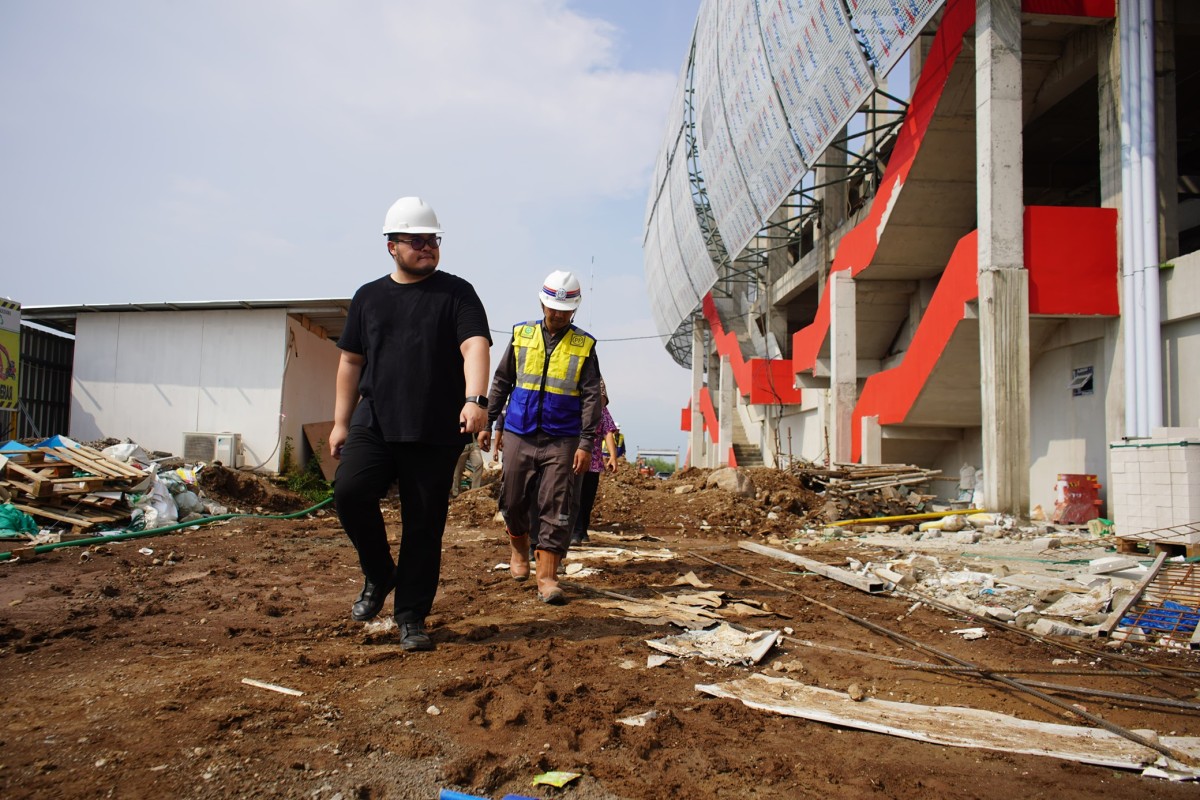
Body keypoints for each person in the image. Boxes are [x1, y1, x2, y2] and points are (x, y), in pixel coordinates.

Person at [330, 196, 491, 651]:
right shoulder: (368, 297)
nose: (427, 247)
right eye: (416, 241)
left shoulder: (457, 293)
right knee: (350, 492)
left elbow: (475, 346)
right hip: (375, 420)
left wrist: (475, 399)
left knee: (423, 526)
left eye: (432, 240)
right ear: (392, 247)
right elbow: (350, 361)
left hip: (434, 428)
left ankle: (411, 617)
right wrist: (341, 422)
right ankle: (380, 573)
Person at [478, 270, 602, 605]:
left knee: (557, 503)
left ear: (574, 310)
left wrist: (586, 443)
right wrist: (490, 422)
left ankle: (547, 577)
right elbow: (502, 380)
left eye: (565, 310)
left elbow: (592, 397)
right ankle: (519, 550)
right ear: (542, 304)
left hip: (562, 438)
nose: (558, 315)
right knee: (513, 499)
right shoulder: (522, 335)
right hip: (520, 432)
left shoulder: (584, 346)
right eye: (553, 308)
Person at [569, 379, 618, 545]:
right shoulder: (576, 408)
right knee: (575, 495)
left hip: (594, 462)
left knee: (587, 498)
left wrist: (613, 456)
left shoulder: (603, 412)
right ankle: (575, 531)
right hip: (576, 459)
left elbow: (608, 432)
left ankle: (582, 531)